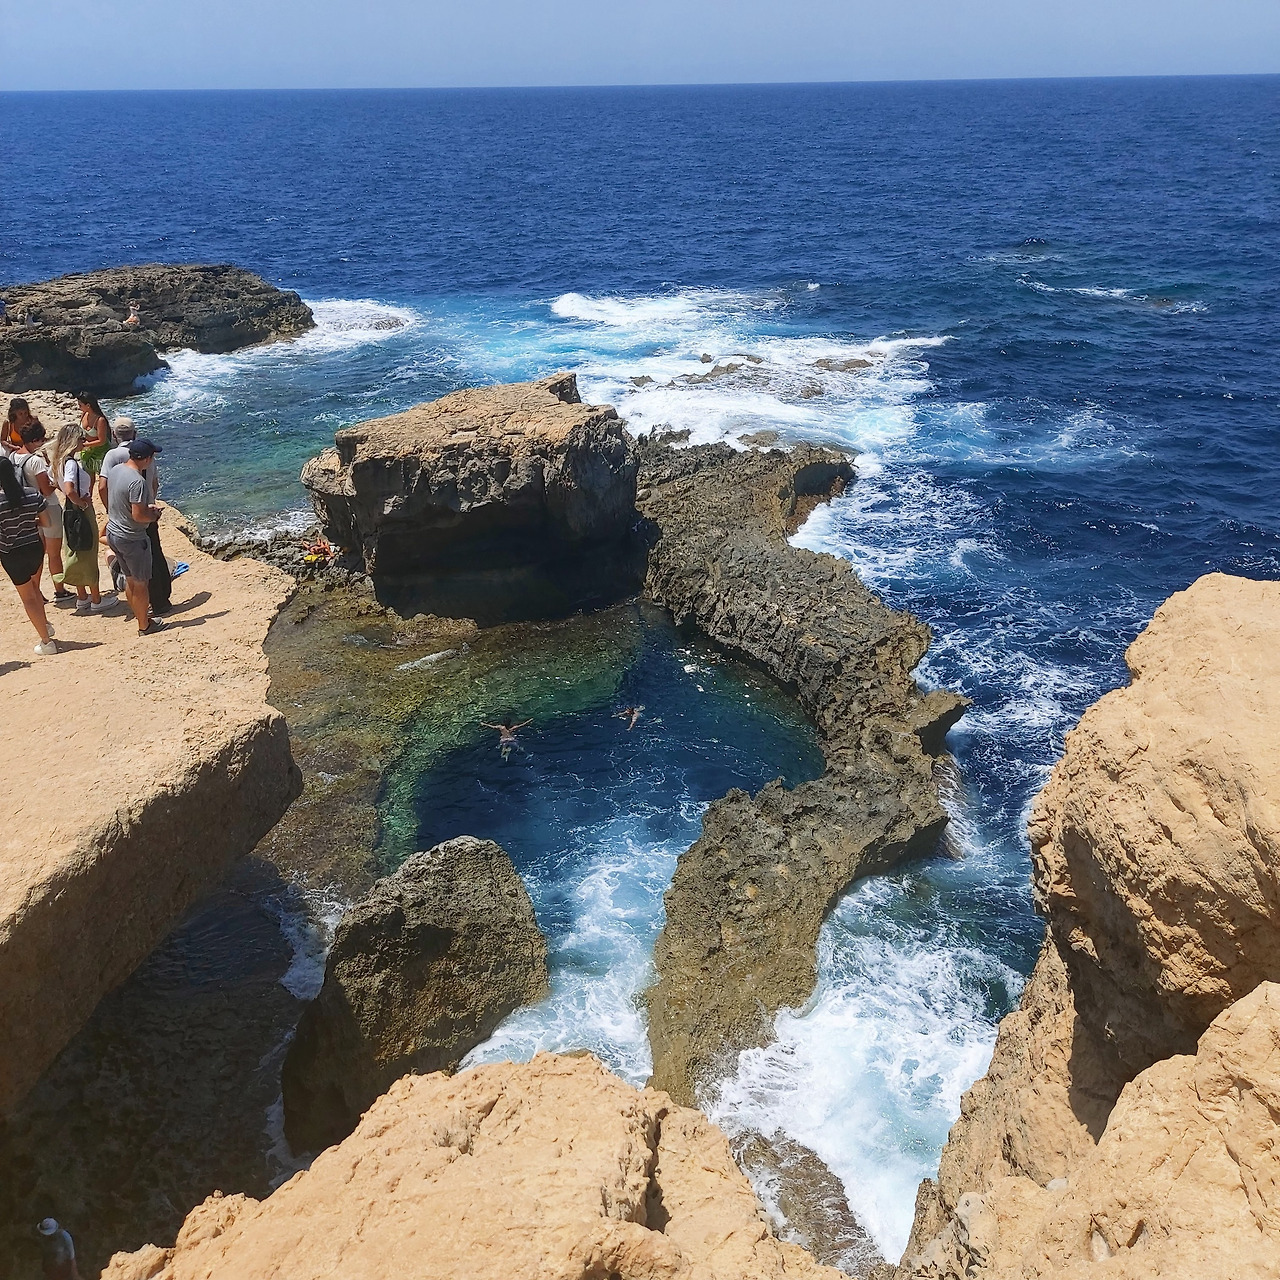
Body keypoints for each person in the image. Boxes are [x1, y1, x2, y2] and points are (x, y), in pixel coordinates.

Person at [50, 423, 114, 613]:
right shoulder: (71, 463)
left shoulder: (58, 461)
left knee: (75, 550)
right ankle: (96, 599)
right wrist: (82, 503)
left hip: (68, 510)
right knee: (88, 550)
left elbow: (55, 483)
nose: (84, 442)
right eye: (81, 439)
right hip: (80, 510)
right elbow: (70, 488)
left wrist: (72, 498)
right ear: (73, 441)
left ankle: (82, 597)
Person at [105, 438, 164, 636]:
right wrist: (154, 515)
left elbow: (124, 502)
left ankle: (140, 617)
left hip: (114, 532)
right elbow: (138, 516)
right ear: (146, 459)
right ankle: (144, 626)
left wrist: (146, 509)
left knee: (130, 580)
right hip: (132, 538)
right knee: (141, 583)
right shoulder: (138, 481)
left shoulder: (116, 470)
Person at [0, 455, 56, 654]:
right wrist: (30, 523)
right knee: (34, 588)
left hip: (11, 553)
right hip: (34, 547)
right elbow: (47, 522)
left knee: (28, 598)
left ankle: (46, 641)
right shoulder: (32, 494)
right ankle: (44, 623)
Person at [13, 423, 70, 602]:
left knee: (38, 554)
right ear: (35, 440)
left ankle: (36, 592)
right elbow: (46, 490)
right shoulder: (35, 461)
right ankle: (59, 590)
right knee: (54, 553)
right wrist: (56, 480)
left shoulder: (13, 457)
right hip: (48, 508)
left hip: (29, 510)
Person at [75, 393, 111, 480]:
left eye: (80, 405)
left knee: (103, 478)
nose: (79, 407)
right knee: (88, 478)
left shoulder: (100, 420)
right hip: (87, 451)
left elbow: (101, 441)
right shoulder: (84, 414)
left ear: (88, 405)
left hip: (100, 452)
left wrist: (85, 445)